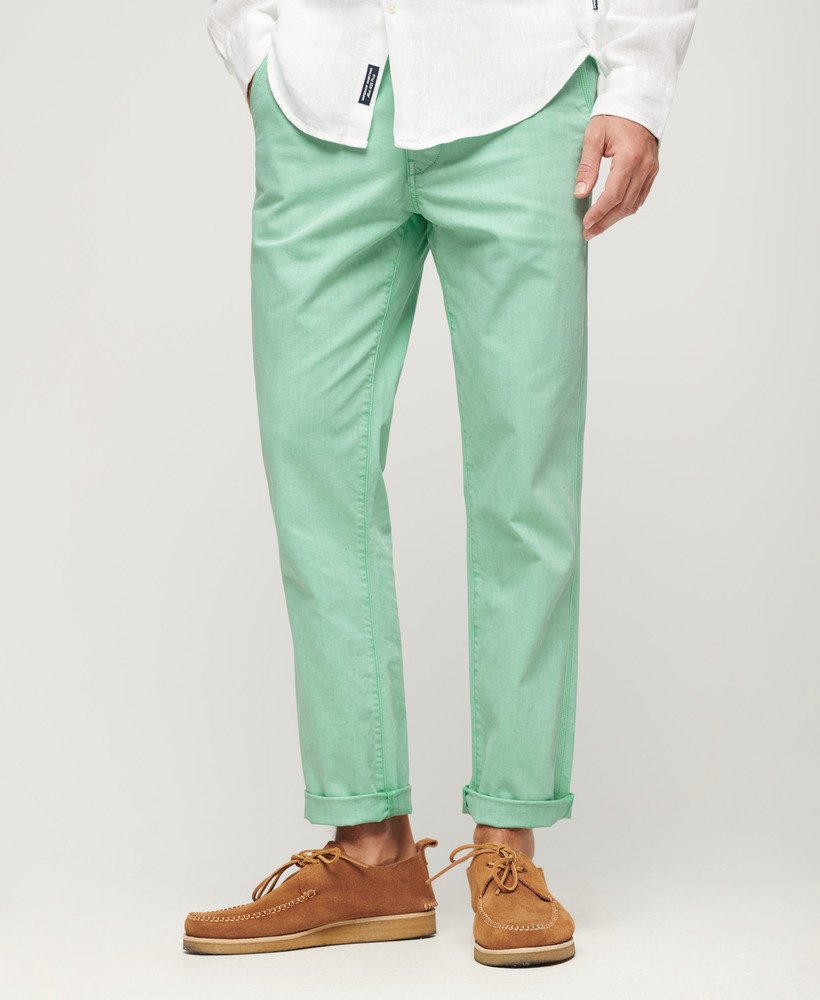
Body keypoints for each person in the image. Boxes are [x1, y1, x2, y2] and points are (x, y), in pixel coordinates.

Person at [184, 0, 696, 968]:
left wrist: (637, 86)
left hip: (520, 89)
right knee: (311, 472)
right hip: (322, 104)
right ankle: (367, 850)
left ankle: (509, 844)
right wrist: (256, 48)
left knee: (524, 479)